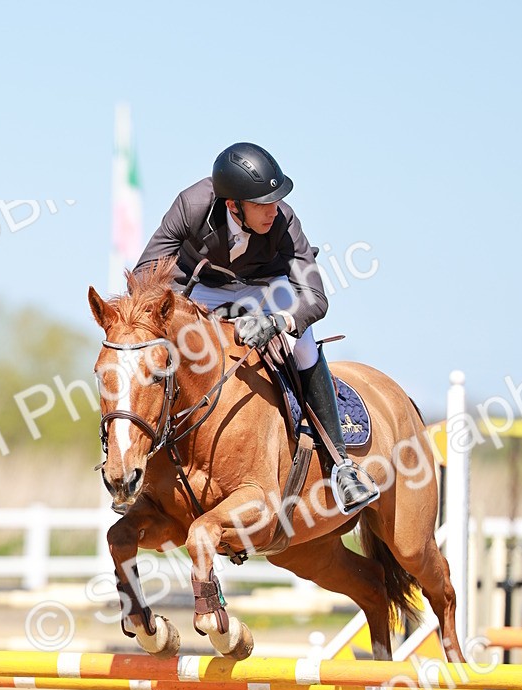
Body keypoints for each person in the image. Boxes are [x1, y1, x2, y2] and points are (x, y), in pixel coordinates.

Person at [134, 141, 379, 514]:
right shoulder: (191, 206)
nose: (273, 210)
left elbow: (315, 297)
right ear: (233, 205)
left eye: (275, 201)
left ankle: (341, 464)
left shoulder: (284, 221)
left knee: (303, 346)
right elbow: (144, 276)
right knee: (146, 352)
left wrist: (277, 322)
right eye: (263, 204)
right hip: (201, 289)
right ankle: (137, 464)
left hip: (268, 289)